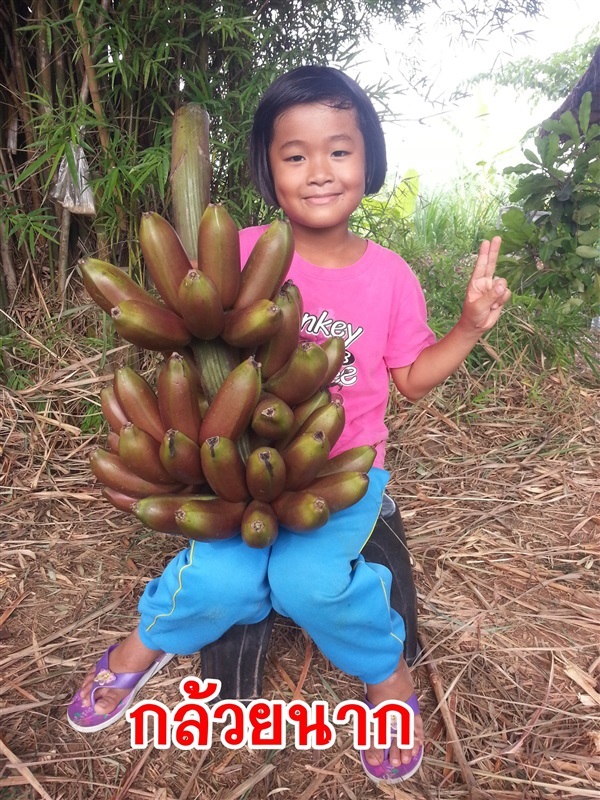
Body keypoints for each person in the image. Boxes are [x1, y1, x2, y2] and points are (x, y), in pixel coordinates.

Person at [67, 65, 510, 784]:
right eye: (294, 155)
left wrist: (466, 327)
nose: (319, 171)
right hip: (235, 459)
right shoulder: (235, 250)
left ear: (370, 159)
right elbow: (189, 340)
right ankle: (140, 646)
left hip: (339, 474)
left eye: (339, 150)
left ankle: (386, 674)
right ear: (269, 172)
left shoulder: (390, 275)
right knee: (221, 582)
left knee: (310, 585)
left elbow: (411, 379)